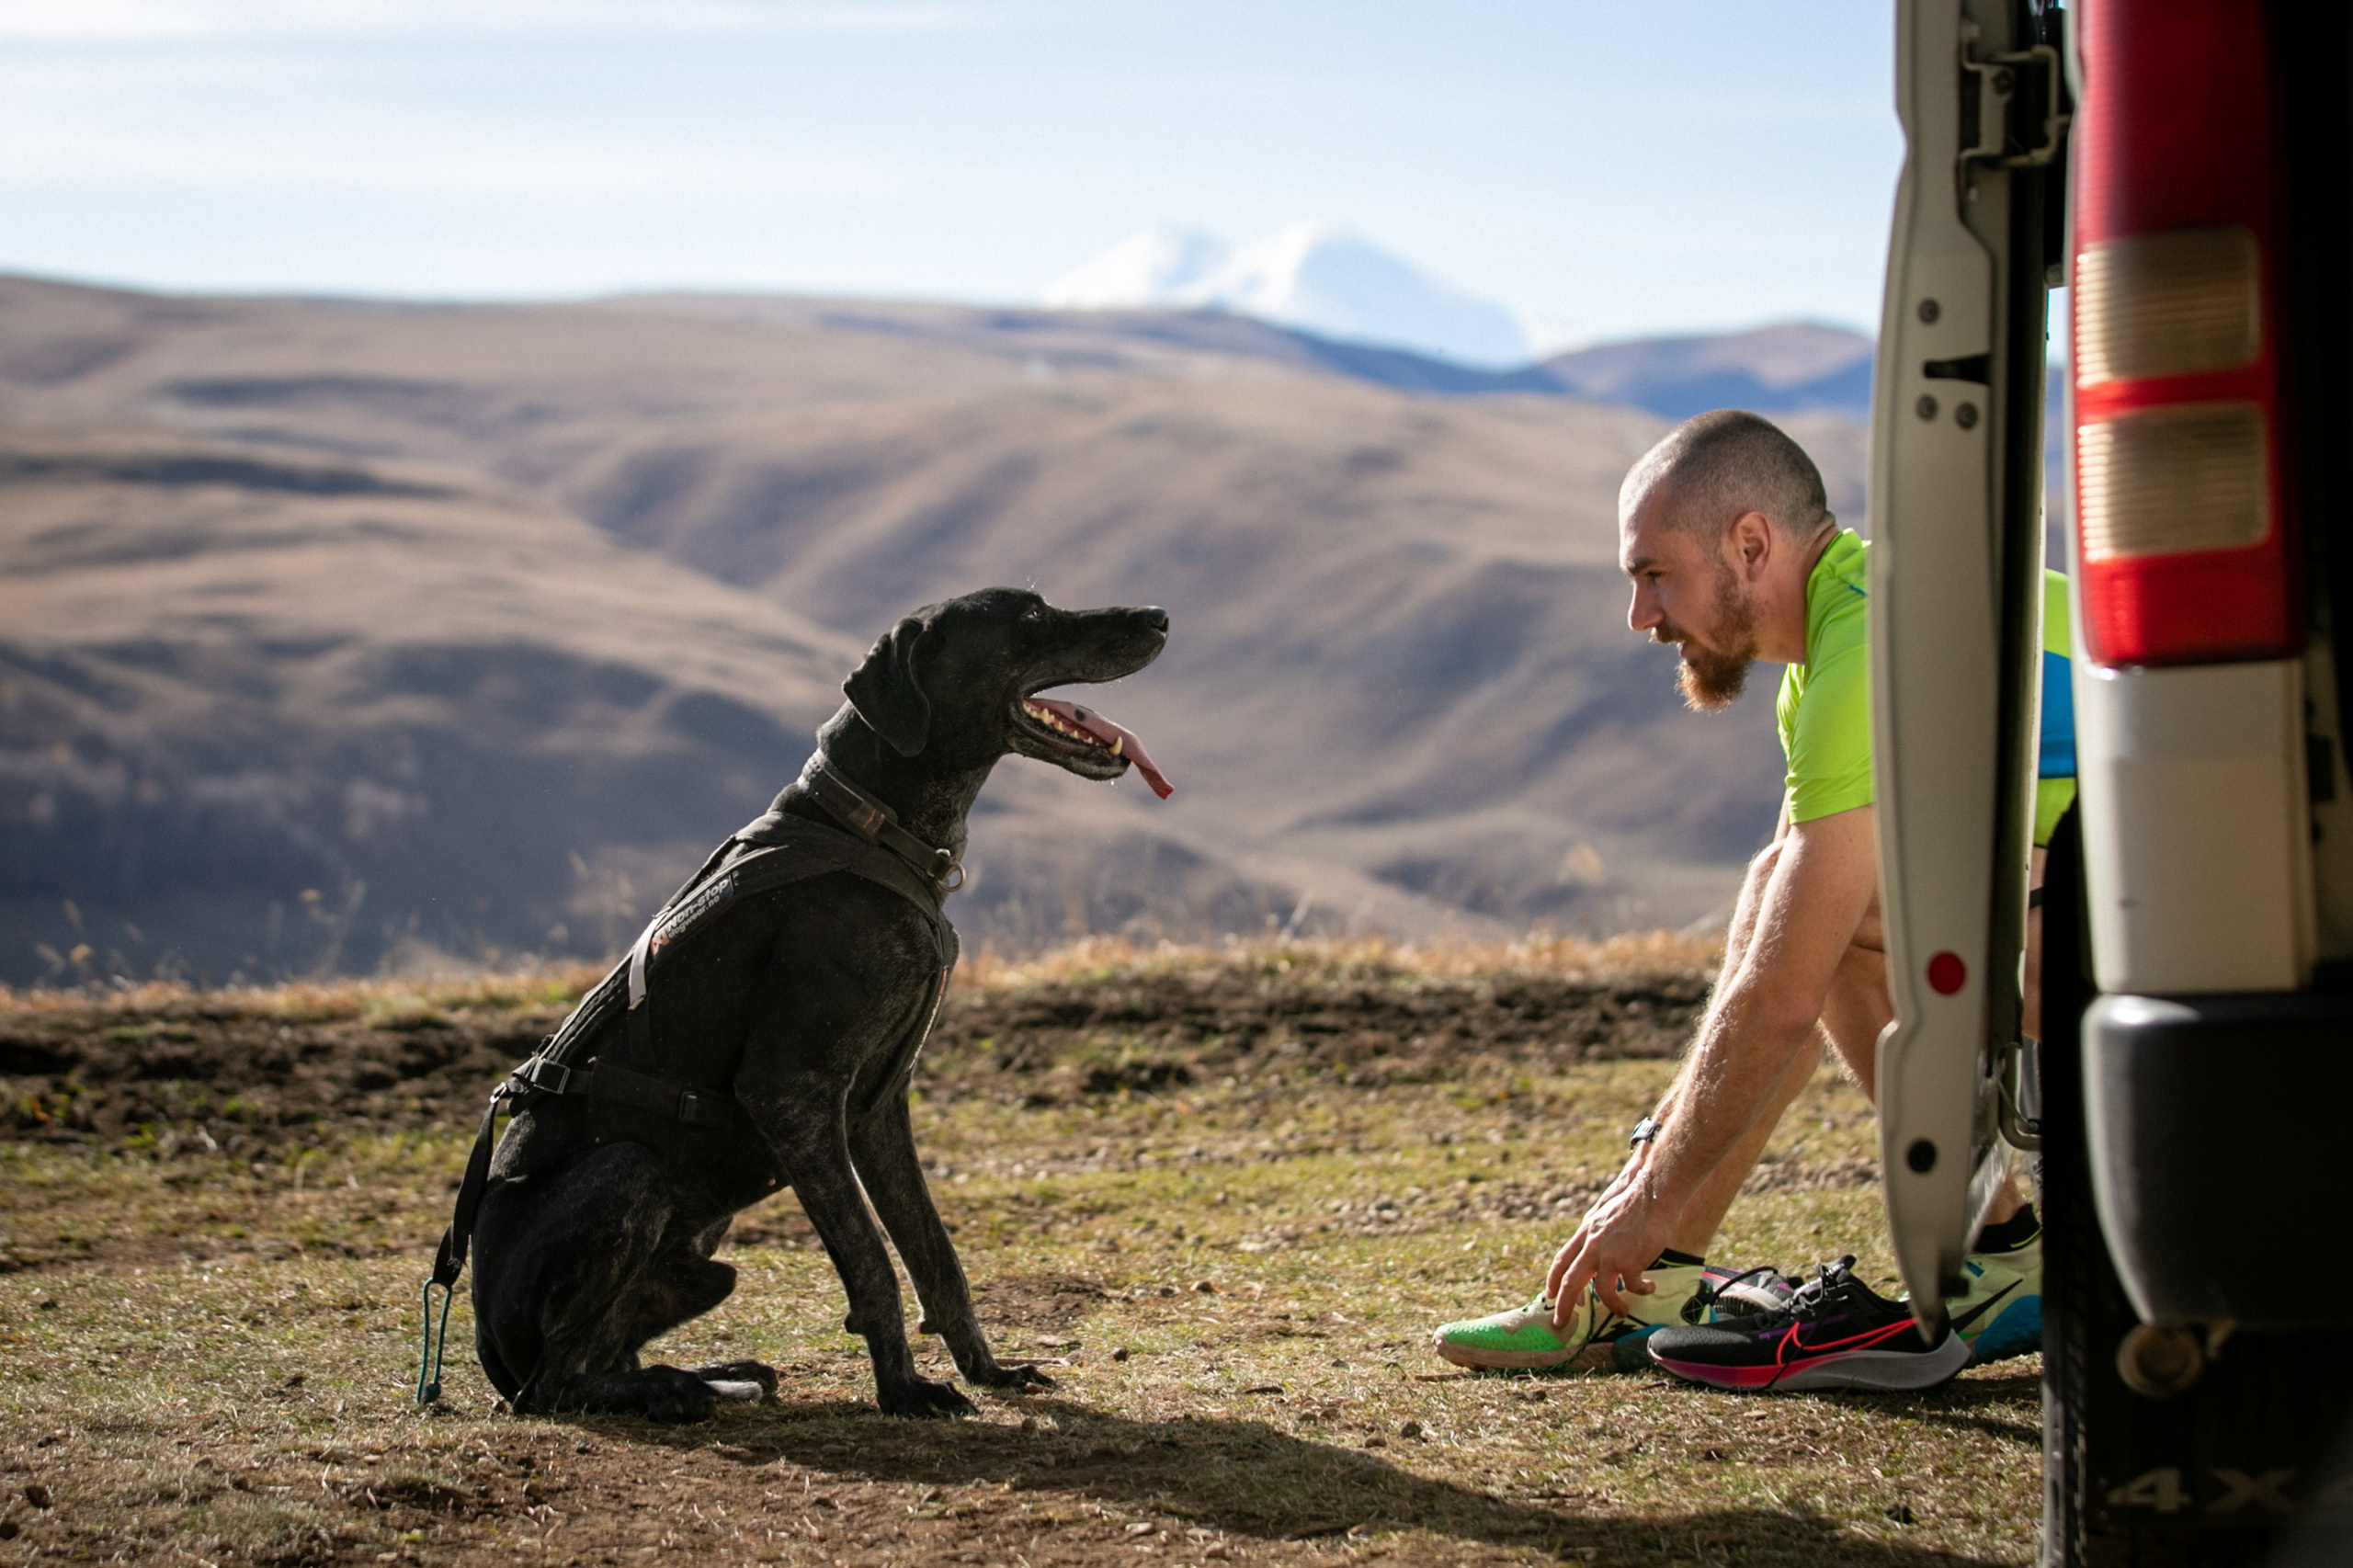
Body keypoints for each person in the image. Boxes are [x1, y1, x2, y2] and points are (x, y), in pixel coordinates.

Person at [1433, 409, 2066, 1391]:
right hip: (2114, 894)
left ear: (1751, 543)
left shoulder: (1869, 646)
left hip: (2210, 925)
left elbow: (1777, 997)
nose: (1641, 616)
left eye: (1653, 574)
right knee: (1790, 892)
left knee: (1832, 920)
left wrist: (1643, 1204)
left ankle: (1991, 1244)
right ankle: (1664, 1280)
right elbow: (1765, 945)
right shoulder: (1831, 645)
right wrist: (1646, 1185)